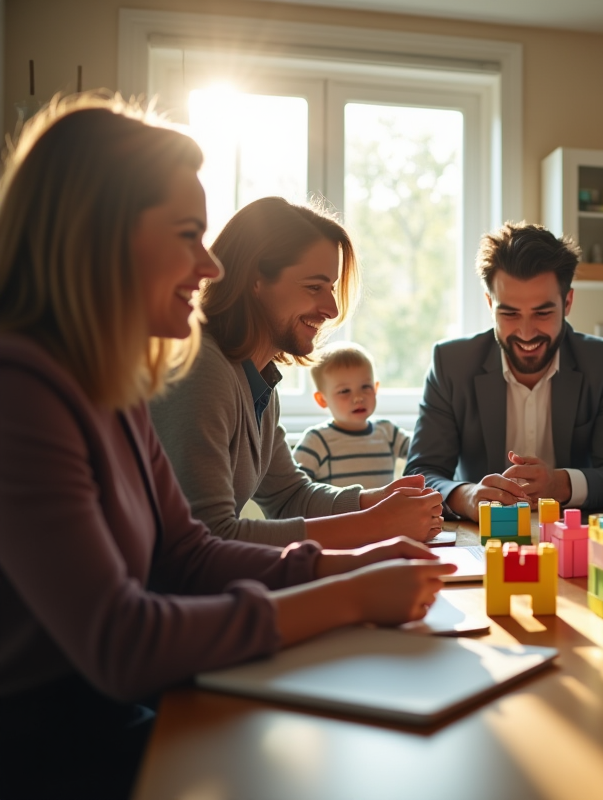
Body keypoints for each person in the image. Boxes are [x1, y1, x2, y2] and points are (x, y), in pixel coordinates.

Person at [0, 95, 455, 799]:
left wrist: (351, 562)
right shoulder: (21, 390)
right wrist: (348, 594)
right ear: (100, 235)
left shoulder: (110, 383)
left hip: (118, 716)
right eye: (188, 235)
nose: (209, 266)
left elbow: (187, 554)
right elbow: (123, 644)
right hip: (53, 749)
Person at [151, 197, 443, 547]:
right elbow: (208, 537)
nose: (331, 309)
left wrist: (374, 501)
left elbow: (288, 496)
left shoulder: (258, 378)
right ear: (255, 280)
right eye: (313, 287)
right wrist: (375, 525)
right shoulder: (202, 368)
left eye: (331, 288)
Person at [405, 222, 603, 521]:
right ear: (490, 304)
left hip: (573, 535)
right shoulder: (450, 363)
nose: (527, 333)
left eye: (542, 313)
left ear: (567, 302)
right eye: (509, 313)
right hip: (481, 539)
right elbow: (420, 473)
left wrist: (560, 484)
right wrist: (467, 497)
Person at [293, 341, 411, 489]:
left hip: (386, 513)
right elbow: (296, 489)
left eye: (365, 387)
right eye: (344, 391)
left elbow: (424, 452)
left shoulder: (388, 432)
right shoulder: (316, 441)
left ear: (375, 388)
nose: (358, 398)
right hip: (342, 513)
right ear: (322, 399)